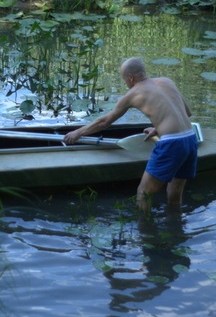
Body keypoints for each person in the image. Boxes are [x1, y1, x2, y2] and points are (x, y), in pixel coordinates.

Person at [63, 57, 198, 212]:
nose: (125, 83)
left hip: (172, 144)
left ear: (130, 77)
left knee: (143, 193)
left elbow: (104, 122)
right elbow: (187, 113)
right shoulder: (166, 81)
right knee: (174, 193)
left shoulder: (133, 94)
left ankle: (144, 232)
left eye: (124, 79)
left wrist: (78, 132)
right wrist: (158, 128)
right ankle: (175, 228)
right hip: (190, 138)